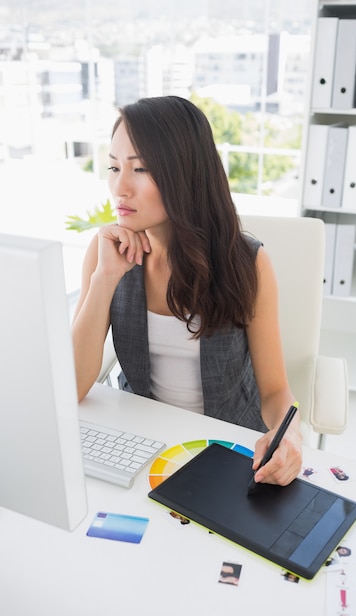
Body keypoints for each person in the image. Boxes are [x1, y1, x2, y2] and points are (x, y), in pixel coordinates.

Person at [72, 95, 302, 487]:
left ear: (186, 173)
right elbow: (71, 387)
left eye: (140, 168)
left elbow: (276, 391)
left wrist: (291, 436)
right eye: (113, 167)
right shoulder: (106, 252)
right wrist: (104, 279)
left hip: (228, 450)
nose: (120, 187)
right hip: (141, 442)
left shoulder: (247, 262)